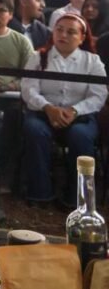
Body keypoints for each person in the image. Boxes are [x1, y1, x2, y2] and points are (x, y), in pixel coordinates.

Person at [22, 13, 107, 205]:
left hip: (80, 116)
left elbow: (98, 95)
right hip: (43, 113)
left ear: (82, 37)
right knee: (34, 130)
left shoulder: (92, 61)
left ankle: (77, 198)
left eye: (71, 32)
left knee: (80, 135)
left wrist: (74, 110)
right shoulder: (38, 57)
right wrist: (48, 108)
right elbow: (28, 89)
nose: (63, 35)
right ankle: (40, 193)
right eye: (59, 30)